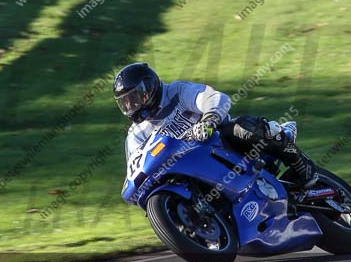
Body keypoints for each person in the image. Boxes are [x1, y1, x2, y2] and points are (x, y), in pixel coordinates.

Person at [114, 62, 318, 191]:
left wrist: (209, 120)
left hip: (221, 144)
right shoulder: (135, 135)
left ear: (149, 87)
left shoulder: (176, 92)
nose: (132, 106)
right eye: (125, 102)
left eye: (135, 97)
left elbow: (215, 98)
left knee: (244, 128)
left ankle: (302, 165)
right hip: (186, 170)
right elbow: (136, 169)